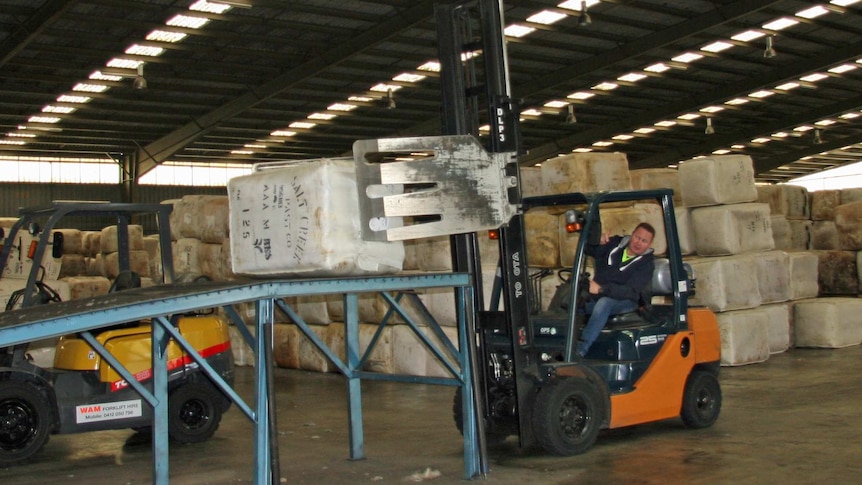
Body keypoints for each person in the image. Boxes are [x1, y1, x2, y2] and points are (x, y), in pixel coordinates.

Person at [577, 222, 656, 357]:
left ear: (649, 245)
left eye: (644, 241)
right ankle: (558, 341)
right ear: (632, 235)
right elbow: (590, 251)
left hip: (625, 301)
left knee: (604, 303)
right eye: (637, 237)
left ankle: (580, 349)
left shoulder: (647, 264)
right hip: (599, 294)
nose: (638, 243)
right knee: (571, 299)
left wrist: (602, 289)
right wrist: (597, 242)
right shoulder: (615, 244)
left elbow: (630, 291)